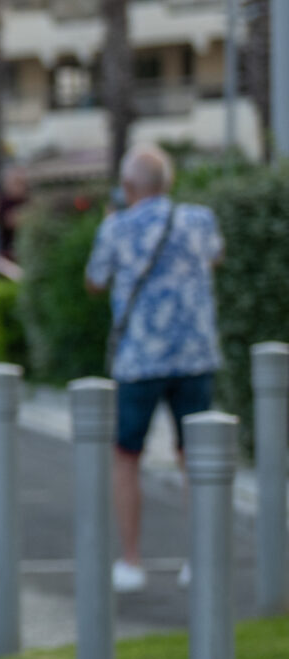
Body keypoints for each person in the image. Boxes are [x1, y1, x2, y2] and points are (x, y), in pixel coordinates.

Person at [86, 142, 222, 593]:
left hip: (140, 360)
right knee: (195, 457)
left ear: (127, 187)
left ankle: (131, 561)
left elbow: (94, 281)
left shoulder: (117, 228)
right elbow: (215, 258)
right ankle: (199, 559)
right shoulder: (199, 219)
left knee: (126, 457)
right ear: (169, 183)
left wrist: (112, 224)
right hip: (195, 355)